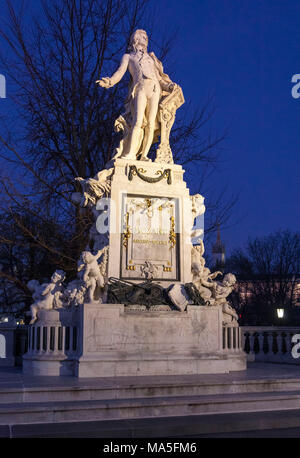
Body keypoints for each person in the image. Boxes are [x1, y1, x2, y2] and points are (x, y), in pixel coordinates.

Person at [96, 29, 175, 161]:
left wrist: (169, 86)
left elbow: (160, 79)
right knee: (138, 121)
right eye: (143, 36)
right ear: (136, 39)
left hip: (155, 89)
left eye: (146, 37)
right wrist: (109, 81)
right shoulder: (128, 57)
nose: (145, 39)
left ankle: (144, 155)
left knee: (151, 123)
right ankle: (131, 154)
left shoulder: (152, 58)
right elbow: (119, 73)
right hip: (140, 88)